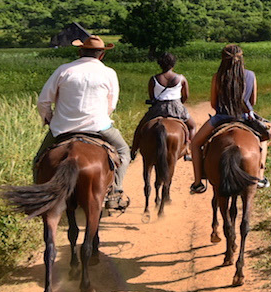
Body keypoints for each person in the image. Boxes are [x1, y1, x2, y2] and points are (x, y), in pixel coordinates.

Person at [35, 34, 132, 213]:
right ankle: (115, 193)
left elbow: (43, 101)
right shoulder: (109, 73)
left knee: (38, 160)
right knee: (124, 152)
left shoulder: (64, 70)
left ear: (80, 52)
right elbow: (112, 104)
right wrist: (100, 116)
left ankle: (39, 199)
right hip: (98, 126)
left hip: (62, 128)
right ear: (101, 55)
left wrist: (49, 119)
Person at [188, 44, 271, 194]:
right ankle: (260, 176)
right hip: (246, 118)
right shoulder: (251, 75)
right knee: (264, 137)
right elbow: (252, 102)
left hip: (221, 118)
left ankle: (198, 182)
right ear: (241, 58)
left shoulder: (217, 77)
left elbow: (214, 104)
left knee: (195, 144)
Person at [131, 51, 195, 158]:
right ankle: (188, 149)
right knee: (192, 126)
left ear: (160, 64)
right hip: (177, 107)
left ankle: (134, 150)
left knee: (140, 127)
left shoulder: (154, 79)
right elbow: (186, 96)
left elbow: (152, 97)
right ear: (173, 64)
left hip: (158, 107)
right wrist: (179, 104)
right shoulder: (181, 78)